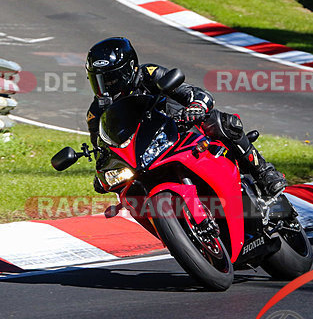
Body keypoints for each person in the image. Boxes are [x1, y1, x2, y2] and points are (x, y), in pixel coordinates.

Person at [84, 37, 291, 208]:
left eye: (111, 80)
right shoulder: (96, 113)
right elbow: (102, 148)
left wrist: (196, 106)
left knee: (222, 123)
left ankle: (263, 173)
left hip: (180, 128)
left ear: (129, 69)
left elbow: (193, 92)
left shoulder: (148, 74)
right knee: (130, 192)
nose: (106, 87)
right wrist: (101, 171)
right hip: (145, 154)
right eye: (99, 81)